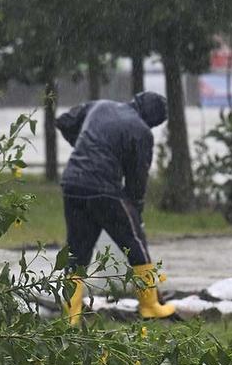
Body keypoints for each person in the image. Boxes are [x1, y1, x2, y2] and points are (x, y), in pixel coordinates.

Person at [56, 91, 176, 325]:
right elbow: (137, 180)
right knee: (135, 245)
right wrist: (136, 210)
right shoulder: (141, 132)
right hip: (104, 190)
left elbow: (64, 121)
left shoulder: (100, 106)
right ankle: (150, 306)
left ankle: (71, 315)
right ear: (152, 119)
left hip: (72, 184)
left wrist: (83, 145)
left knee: (77, 252)